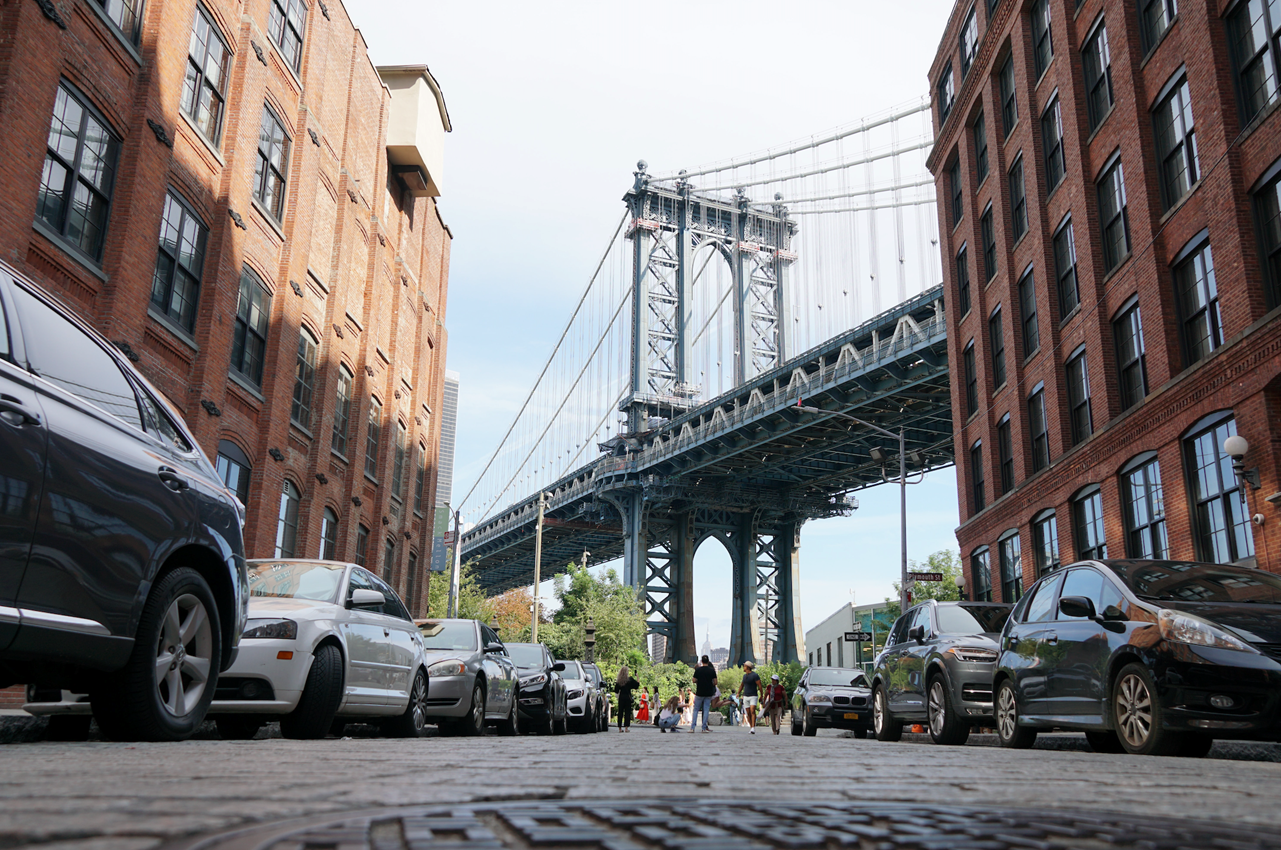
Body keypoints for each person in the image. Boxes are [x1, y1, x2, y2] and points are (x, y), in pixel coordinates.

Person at [690, 655, 717, 733]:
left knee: (696, 710)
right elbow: (715, 682)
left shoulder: (698, 670)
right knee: (706, 710)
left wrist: (699, 681)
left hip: (699, 692)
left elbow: (694, 680)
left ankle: (692, 728)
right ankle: (704, 728)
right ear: (708, 661)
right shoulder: (712, 671)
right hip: (708, 693)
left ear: (701, 661)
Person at [738, 661, 761, 734]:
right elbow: (742, 685)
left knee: (752, 711)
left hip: (753, 696)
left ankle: (753, 727)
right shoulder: (744, 676)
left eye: (744, 666)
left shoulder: (755, 675)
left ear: (747, 667)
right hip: (746, 696)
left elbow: (759, 685)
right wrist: (738, 693)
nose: (743, 667)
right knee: (748, 713)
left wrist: (762, 695)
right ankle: (751, 727)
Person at [615, 666, 640, 732]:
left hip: (621, 697)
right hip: (628, 697)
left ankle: (620, 728)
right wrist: (637, 676)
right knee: (627, 712)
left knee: (620, 712)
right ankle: (626, 728)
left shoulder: (619, 681)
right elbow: (637, 685)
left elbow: (616, 690)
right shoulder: (630, 680)